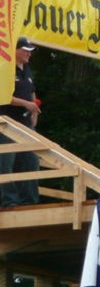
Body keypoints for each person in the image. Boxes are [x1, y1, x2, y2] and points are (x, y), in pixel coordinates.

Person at [0, 37, 41, 207]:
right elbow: (3, 96)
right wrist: (27, 104)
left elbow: (31, 91)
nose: (29, 54)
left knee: (31, 160)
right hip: (7, 122)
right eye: (26, 50)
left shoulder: (27, 69)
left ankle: (30, 200)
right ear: (15, 50)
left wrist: (34, 111)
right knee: (5, 162)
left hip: (25, 123)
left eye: (30, 50)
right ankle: (9, 201)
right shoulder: (5, 68)